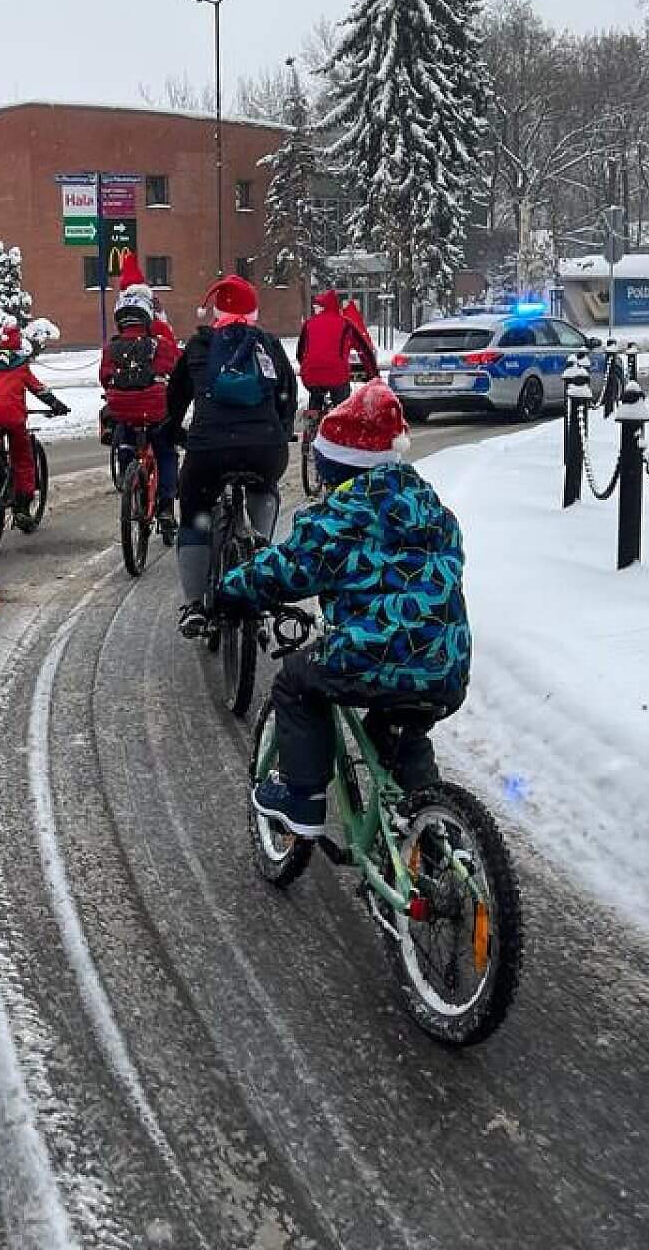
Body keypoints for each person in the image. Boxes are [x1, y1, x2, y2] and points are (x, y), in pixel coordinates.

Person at [220, 382, 471, 837]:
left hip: (373, 655)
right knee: (401, 730)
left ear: (337, 464)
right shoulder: (432, 509)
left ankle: (302, 801)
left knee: (297, 682)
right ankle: (437, 837)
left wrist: (232, 591)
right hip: (446, 661)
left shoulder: (343, 515)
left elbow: (288, 569)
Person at [162, 274, 298, 638]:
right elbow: (288, 392)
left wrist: (174, 431)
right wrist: (281, 430)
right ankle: (258, 545)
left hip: (209, 451)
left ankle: (194, 607)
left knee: (194, 516)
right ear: (254, 312)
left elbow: (175, 398)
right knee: (264, 490)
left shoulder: (199, 347)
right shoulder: (268, 345)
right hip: (264, 449)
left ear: (216, 312)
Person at [100, 285, 180, 537]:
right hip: (155, 413)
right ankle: (166, 506)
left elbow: (104, 377)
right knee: (166, 453)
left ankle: (128, 479)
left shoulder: (111, 348)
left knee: (125, 438)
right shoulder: (160, 345)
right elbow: (176, 371)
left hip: (123, 412)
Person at [0, 325, 70, 530]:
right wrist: (56, 405)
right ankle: (22, 508)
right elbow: (38, 389)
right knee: (23, 460)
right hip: (14, 419)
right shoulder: (20, 366)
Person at [295, 288, 380, 414]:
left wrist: (309, 367)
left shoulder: (309, 324)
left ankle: (312, 420)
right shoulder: (346, 324)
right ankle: (341, 421)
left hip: (311, 375)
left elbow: (300, 352)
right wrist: (373, 375)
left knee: (315, 396)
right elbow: (365, 351)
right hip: (337, 375)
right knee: (342, 408)